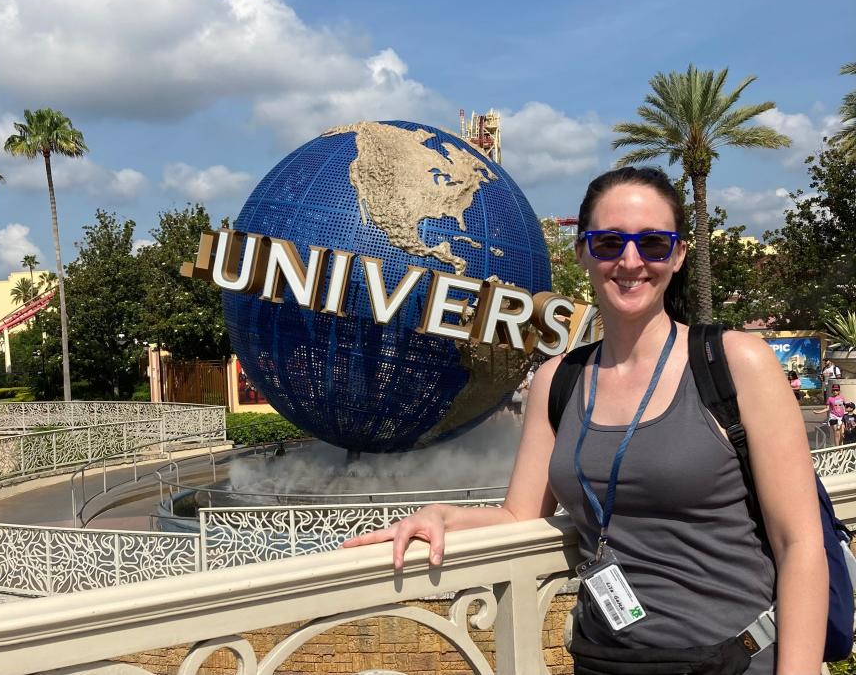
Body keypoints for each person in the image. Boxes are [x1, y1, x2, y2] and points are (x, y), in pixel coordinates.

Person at [345, 166, 826, 673]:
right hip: (604, 659)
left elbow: (799, 543)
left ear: (679, 255)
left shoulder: (735, 363)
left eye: (654, 244)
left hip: (732, 658)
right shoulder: (559, 381)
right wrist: (442, 516)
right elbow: (519, 517)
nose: (631, 261)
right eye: (609, 242)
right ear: (582, 253)